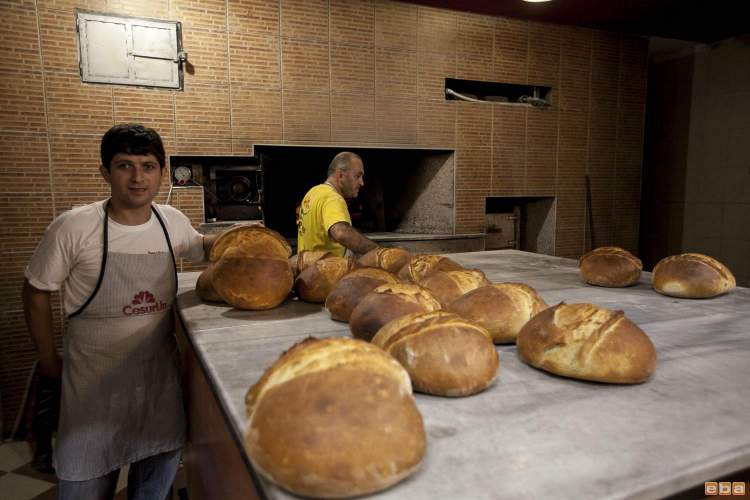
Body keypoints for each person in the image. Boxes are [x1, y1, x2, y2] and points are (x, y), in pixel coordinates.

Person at [22, 124, 217, 500]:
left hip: (157, 384)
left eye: (148, 166)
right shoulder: (75, 227)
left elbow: (203, 248)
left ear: (162, 172)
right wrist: (48, 360)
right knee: (84, 485)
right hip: (92, 390)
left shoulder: (169, 221)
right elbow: (35, 291)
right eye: (125, 165)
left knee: (153, 487)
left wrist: (248, 240)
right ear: (105, 172)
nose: (138, 177)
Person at [296, 151, 378, 257]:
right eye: (358, 176)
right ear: (340, 175)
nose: (362, 182)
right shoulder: (333, 198)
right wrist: (379, 251)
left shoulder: (313, 192)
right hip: (326, 271)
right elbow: (341, 233)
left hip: (308, 270)